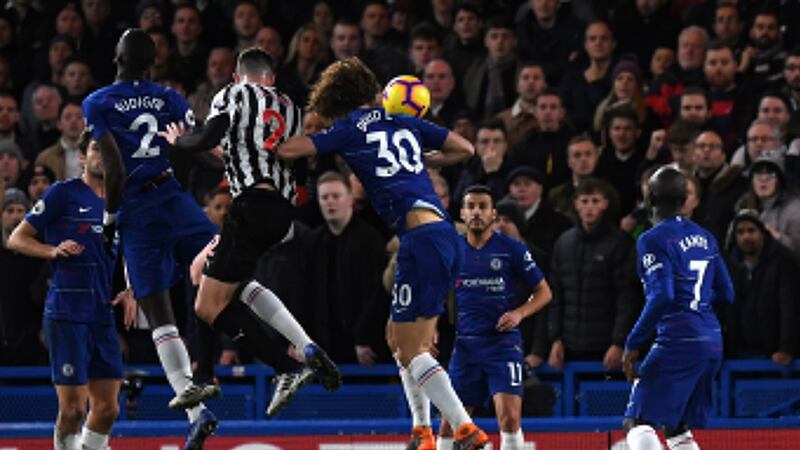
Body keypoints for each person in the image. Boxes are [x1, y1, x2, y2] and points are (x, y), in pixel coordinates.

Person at [273, 57, 489, 449]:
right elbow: (465, 148)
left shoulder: (347, 129)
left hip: (420, 242)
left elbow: (291, 150)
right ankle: (422, 431)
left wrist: (267, 138)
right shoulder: (405, 121)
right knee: (396, 336)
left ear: (335, 99)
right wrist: (425, 160)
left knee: (413, 349)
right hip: (439, 235)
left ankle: (465, 428)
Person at [161, 47, 342, 417]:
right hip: (280, 214)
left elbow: (207, 134)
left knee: (206, 305)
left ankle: (282, 368)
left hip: (250, 209)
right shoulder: (290, 108)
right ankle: (214, 372)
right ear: (271, 79)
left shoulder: (232, 95)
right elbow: (294, 167)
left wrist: (180, 140)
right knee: (205, 274)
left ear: (236, 77)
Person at [82, 28, 219, 448]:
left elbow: (115, 172)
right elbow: (195, 145)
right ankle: (290, 343)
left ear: (116, 58)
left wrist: (109, 221)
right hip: (173, 196)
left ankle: (195, 412)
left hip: (138, 211)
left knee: (160, 317)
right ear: (152, 62)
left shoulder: (99, 101)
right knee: (225, 265)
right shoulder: (170, 98)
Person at [6, 132, 135, 450]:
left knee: (108, 409)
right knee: (73, 410)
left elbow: (130, 248)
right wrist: (52, 251)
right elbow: (17, 239)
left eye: (109, 152)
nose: (102, 156)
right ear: (81, 157)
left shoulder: (122, 201)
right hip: (67, 310)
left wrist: (132, 288)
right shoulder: (62, 194)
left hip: (102, 313)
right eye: (95, 149)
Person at [622, 166, 735, 450]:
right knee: (677, 427)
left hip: (678, 340)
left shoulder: (652, 239)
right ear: (685, 199)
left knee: (637, 422)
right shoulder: (705, 237)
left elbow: (663, 296)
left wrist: (633, 342)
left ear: (649, 198)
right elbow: (727, 293)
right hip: (711, 341)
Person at [436, 185, 552, 450]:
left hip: (502, 345)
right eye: (471, 207)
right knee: (449, 423)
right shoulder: (452, 250)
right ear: (463, 214)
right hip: (466, 345)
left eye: (483, 207)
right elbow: (436, 292)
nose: (477, 212)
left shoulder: (512, 249)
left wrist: (519, 313)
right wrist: (431, 326)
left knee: (509, 419)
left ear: (493, 214)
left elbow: (544, 292)